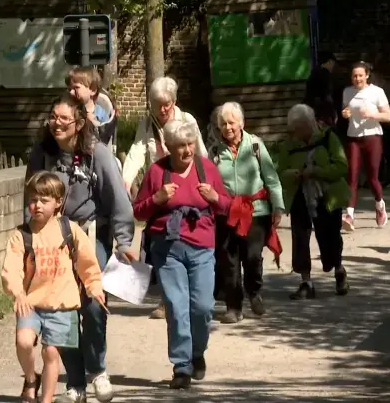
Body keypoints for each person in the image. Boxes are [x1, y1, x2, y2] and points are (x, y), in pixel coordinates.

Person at [24, 95, 137, 403]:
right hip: (53, 239)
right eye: (53, 117)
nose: (57, 123)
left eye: (64, 118)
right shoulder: (42, 155)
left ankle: (97, 370)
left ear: (79, 123)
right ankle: (76, 383)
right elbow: (30, 199)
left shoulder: (96, 154)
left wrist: (124, 241)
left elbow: (117, 199)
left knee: (93, 305)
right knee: (63, 310)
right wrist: (29, 240)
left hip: (90, 236)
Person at [133, 119, 230, 389]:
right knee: (176, 307)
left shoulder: (206, 168)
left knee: (202, 308)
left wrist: (213, 197)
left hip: (202, 247)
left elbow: (226, 206)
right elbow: (138, 210)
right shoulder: (156, 172)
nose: (187, 150)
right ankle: (181, 366)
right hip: (167, 249)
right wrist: (157, 199)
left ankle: (197, 352)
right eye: (181, 146)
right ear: (169, 147)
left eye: (190, 144)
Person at [2, 171, 106, 403]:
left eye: (44, 200)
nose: (37, 205)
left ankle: (46, 399)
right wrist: (17, 292)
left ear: (58, 202)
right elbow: (11, 269)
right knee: (24, 342)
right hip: (31, 302)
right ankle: (31, 379)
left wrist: (94, 285)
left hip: (62, 305)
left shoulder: (69, 230)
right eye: (33, 200)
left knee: (51, 353)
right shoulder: (22, 235)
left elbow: (87, 261)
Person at [121, 76, 208, 319]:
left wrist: (206, 182)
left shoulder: (186, 120)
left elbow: (200, 151)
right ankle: (167, 300)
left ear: (174, 101)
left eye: (166, 104)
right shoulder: (147, 123)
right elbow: (138, 150)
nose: (162, 110)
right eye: (157, 104)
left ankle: (188, 296)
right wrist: (127, 178)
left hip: (187, 183)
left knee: (187, 242)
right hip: (161, 185)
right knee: (161, 243)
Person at [208, 102, 284, 323]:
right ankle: (233, 307)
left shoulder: (256, 146)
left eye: (231, 122)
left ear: (241, 123)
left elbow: (271, 178)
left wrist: (277, 207)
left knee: (252, 256)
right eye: (223, 123)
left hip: (256, 211)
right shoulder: (213, 150)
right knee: (228, 260)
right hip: (227, 212)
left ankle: (254, 292)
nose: (228, 127)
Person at [275, 104, 350, 299]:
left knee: (330, 236)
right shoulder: (289, 144)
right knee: (300, 238)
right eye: (295, 130)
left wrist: (317, 171)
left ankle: (338, 270)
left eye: (300, 129)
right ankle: (306, 282)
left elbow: (342, 167)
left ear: (310, 123)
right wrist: (293, 174)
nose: (297, 134)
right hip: (300, 195)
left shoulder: (327, 137)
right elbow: (280, 172)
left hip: (327, 196)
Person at [340, 61, 390, 231]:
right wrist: (345, 113)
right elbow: (346, 110)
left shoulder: (377, 92)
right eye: (354, 76)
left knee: (372, 177)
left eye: (360, 75)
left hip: (373, 137)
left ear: (367, 75)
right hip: (353, 137)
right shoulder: (347, 92)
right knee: (352, 176)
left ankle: (379, 205)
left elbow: (388, 116)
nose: (357, 79)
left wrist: (372, 114)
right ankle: (349, 215)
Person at [66, 67, 117, 150]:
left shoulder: (101, 114)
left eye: (76, 88)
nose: (71, 92)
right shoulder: (68, 109)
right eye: (69, 89)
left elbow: (104, 138)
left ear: (92, 90)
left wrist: (93, 124)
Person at [304, 51, 338, 125]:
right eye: (333, 63)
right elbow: (328, 95)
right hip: (323, 113)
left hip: (312, 110)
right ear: (329, 62)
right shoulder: (326, 75)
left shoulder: (313, 73)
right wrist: (333, 112)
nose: (333, 66)